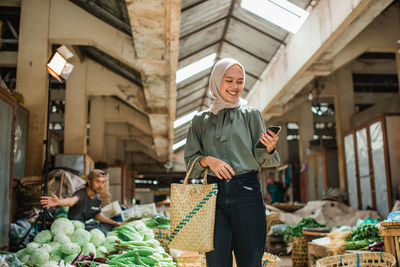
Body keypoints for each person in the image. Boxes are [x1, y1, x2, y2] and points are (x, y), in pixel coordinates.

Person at [184, 58, 281, 267]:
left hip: (247, 191)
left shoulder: (251, 115)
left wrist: (270, 147)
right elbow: (190, 164)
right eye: (228, 80)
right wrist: (209, 161)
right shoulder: (200, 121)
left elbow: (262, 157)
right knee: (216, 262)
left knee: (250, 261)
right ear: (216, 81)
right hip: (212, 195)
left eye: (240, 81)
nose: (235, 87)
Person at [40, 169, 123, 234]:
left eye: (103, 182)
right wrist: (59, 202)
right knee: (104, 232)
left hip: (88, 224)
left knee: (109, 227)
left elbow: (96, 214)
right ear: (89, 182)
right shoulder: (81, 194)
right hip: (77, 228)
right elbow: (72, 201)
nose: (100, 186)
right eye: (97, 182)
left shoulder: (97, 197)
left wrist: (114, 222)